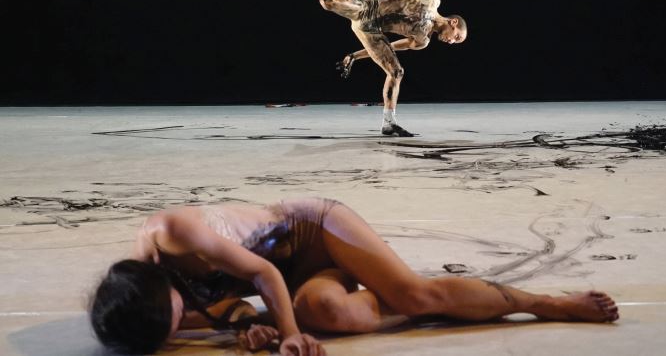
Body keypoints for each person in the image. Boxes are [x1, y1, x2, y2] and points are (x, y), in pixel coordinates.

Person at [90, 198, 619, 355]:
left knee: (413, 295)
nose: (181, 327)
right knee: (328, 313)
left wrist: (289, 335)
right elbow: (235, 305)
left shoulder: (171, 232)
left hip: (314, 230)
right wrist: (247, 329)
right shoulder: (156, 308)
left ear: (155, 290)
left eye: (174, 321)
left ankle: (546, 303)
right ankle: (429, 303)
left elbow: (263, 273)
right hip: (300, 276)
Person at [319, 0, 471, 136]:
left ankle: (389, 123)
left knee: (396, 72)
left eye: (455, 42)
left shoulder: (422, 41)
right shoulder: (432, 0)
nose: (451, 42)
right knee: (328, 1)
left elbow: (390, 48)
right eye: (456, 37)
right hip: (367, 10)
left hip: (371, 32)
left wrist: (354, 56)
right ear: (454, 22)